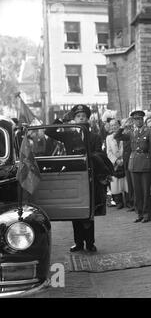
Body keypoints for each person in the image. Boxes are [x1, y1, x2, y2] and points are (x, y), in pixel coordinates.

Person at [45, 104, 111, 252]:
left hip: (88, 176)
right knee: (76, 210)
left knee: (88, 210)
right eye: (78, 116)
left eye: (83, 116)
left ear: (87, 119)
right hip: (73, 177)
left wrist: (90, 158)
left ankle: (90, 243)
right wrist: (62, 119)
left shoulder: (94, 136)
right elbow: (49, 131)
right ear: (74, 119)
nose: (81, 118)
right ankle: (78, 243)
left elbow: (99, 154)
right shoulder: (69, 134)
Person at [114, 110, 151, 223]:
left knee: (145, 191)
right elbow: (117, 136)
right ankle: (139, 214)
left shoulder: (149, 132)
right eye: (136, 119)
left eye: (140, 119)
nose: (138, 121)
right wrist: (122, 126)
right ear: (133, 121)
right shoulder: (131, 132)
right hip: (133, 164)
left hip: (146, 163)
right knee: (136, 191)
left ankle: (147, 214)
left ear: (143, 120)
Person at [106, 119, 127, 209]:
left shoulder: (124, 135)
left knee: (126, 183)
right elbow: (109, 152)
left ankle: (129, 201)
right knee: (115, 183)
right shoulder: (108, 138)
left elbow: (127, 149)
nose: (114, 127)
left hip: (124, 161)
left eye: (115, 125)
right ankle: (118, 202)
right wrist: (116, 160)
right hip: (114, 164)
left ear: (119, 125)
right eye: (112, 125)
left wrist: (123, 159)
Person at [121, 117, 135, 211]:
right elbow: (117, 136)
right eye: (126, 123)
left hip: (134, 160)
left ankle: (136, 203)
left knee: (135, 184)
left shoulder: (134, 132)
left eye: (129, 122)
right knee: (130, 184)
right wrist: (122, 127)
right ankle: (132, 203)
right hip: (126, 161)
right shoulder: (124, 133)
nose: (128, 124)